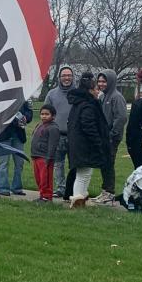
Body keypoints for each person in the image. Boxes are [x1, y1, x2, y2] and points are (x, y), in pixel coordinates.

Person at [65, 72, 110, 208]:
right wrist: (98, 141)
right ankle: (77, 199)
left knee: (86, 171)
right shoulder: (88, 105)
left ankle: (82, 196)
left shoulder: (79, 103)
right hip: (84, 144)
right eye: (96, 89)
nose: (98, 91)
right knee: (83, 173)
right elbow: (88, 125)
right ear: (90, 90)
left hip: (79, 143)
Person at [91, 69, 128, 205]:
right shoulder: (103, 96)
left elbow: (121, 117)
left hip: (111, 137)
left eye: (104, 81)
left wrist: (112, 134)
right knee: (104, 164)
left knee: (108, 163)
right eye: (99, 81)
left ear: (111, 81)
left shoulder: (116, 97)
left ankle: (109, 192)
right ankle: (105, 191)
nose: (101, 84)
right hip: (104, 137)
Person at [43, 66, 75, 197]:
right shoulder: (52, 94)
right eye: (64, 75)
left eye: (69, 75)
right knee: (58, 164)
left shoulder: (78, 93)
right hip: (57, 135)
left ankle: (72, 189)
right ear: (59, 78)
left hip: (74, 135)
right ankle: (60, 188)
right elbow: (45, 113)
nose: (67, 78)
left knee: (74, 165)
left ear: (72, 77)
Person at [0, 99, 33, 196]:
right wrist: (16, 121)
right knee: (4, 162)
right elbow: (0, 115)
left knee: (19, 162)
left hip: (18, 135)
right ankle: (3, 188)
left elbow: (29, 113)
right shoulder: (2, 97)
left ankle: (17, 187)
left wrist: (25, 118)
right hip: (4, 135)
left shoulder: (24, 97)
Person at [30, 105, 60, 203]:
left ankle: (47, 197)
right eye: (42, 114)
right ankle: (42, 195)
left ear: (53, 116)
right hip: (36, 156)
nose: (44, 116)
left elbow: (53, 144)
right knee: (38, 178)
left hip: (45, 157)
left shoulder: (53, 128)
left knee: (45, 178)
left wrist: (49, 157)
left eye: (47, 114)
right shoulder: (40, 125)